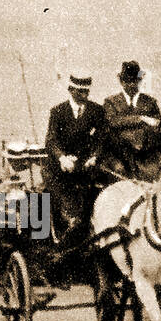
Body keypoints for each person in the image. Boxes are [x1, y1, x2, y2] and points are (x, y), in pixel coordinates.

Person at [45, 71, 109, 244]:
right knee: (59, 192)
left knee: (95, 195)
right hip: (61, 168)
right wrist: (62, 158)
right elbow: (51, 141)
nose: (84, 95)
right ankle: (66, 227)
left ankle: (89, 227)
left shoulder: (97, 111)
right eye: (80, 92)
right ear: (70, 90)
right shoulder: (58, 112)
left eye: (86, 92)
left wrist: (94, 156)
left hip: (86, 167)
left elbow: (102, 138)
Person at [102, 61, 161, 181]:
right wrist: (140, 119)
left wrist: (144, 142)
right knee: (118, 175)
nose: (131, 85)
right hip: (119, 156)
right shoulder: (111, 102)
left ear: (139, 81)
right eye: (127, 81)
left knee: (152, 175)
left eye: (134, 81)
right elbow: (111, 122)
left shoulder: (150, 102)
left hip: (145, 156)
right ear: (121, 82)